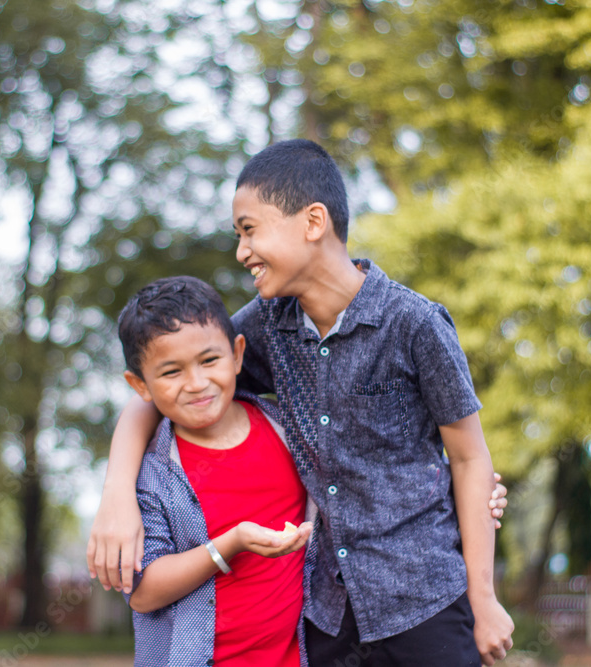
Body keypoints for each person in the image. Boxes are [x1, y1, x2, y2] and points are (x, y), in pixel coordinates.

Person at [91, 139, 513, 666]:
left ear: (313, 221)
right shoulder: (266, 326)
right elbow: (167, 390)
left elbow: (471, 458)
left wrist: (484, 596)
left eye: (250, 230)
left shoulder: (416, 325)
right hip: (326, 616)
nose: (242, 251)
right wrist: (116, 495)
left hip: (424, 600)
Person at [116, 276, 314, 665]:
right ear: (140, 385)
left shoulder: (287, 430)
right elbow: (142, 591)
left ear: (238, 354)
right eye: (171, 372)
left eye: (210, 360)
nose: (197, 383)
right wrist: (230, 544)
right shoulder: (154, 472)